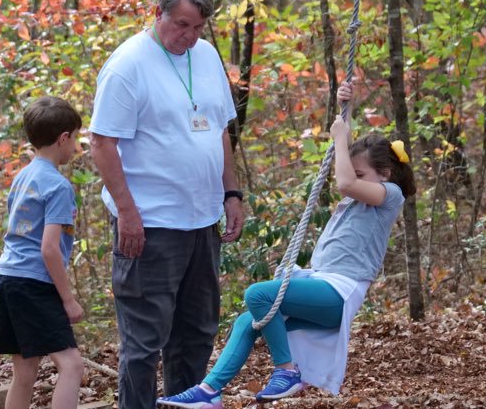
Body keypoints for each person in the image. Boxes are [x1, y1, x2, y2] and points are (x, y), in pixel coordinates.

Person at [157, 82, 414, 408]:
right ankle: (209, 392)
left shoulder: (391, 196)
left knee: (258, 294)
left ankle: (287, 370)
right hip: (322, 284)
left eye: (362, 173)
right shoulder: (363, 196)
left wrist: (340, 139)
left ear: (386, 174)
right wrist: (344, 108)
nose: (355, 177)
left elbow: (345, 181)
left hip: (339, 292)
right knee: (247, 320)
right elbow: (348, 174)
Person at [88, 0, 245, 409]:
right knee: (144, 341)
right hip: (151, 224)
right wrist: (127, 212)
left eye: (197, 27)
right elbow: (101, 143)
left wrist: (231, 194)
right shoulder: (128, 65)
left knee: (196, 333)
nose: (189, 36)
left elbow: (220, 129)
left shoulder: (206, 56)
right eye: (181, 25)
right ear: (158, 12)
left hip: (202, 221)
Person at [0, 96, 86, 409]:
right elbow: (49, 249)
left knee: (25, 372)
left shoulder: (23, 177)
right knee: (72, 365)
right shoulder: (57, 186)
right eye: (75, 138)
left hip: (7, 280)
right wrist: (68, 299)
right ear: (63, 138)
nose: (75, 147)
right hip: (34, 284)